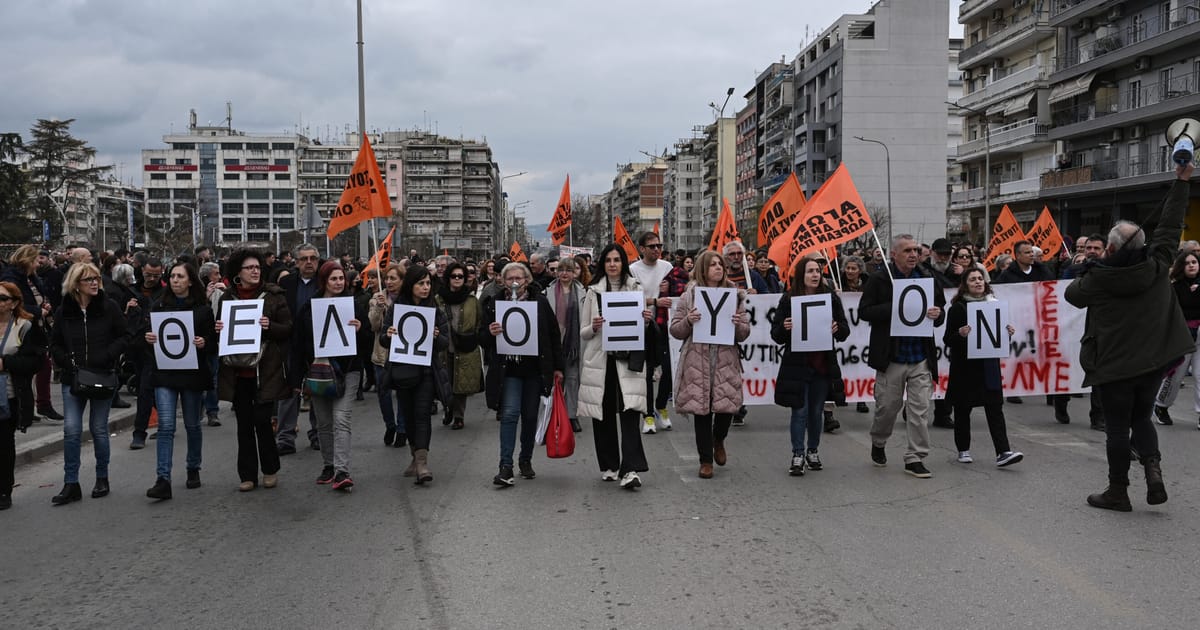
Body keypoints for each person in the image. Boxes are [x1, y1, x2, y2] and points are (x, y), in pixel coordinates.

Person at [1066, 163, 1193, 511]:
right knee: (1142, 418)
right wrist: (1182, 181)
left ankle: (1118, 491)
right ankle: (1153, 469)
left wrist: (1091, 265)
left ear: (1109, 249)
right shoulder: (1157, 263)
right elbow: (1170, 224)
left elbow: (1072, 295)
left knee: (1118, 428)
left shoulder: (1097, 279)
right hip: (1152, 361)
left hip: (1115, 366)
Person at [859, 234, 946, 479]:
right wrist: (895, 306)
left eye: (916, 250)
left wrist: (937, 314)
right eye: (907, 250)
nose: (913, 254)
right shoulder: (880, 280)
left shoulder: (928, 278)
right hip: (892, 357)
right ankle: (878, 441)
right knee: (887, 408)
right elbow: (865, 312)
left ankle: (915, 457)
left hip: (920, 355)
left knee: (919, 410)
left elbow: (941, 313)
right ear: (893, 254)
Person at [48, 262, 128, 505]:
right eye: (88, 279)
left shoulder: (109, 307)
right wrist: (66, 362)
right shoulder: (64, 311)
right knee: (72, 430)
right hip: (74, 378)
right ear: (75, 284)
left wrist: (107, 356)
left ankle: (102, 477)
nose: (95, 283)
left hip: (102, 376)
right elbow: (55, 343)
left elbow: (125, 336)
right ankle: (71, 482)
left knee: (99, 428)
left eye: (96, 279)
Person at [214, 250, 291, 492]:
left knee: (262, 421)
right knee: (244, 424)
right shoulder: (227, 299)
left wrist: (271, 327)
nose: (255, 271)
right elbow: (218, 332)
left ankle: (269, 469)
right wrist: (218, 328)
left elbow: (288, 328)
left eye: (257, 267)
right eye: (249, 268)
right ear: (239, 273)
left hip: (265, 371)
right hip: (237, 373)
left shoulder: (274, 296)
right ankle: (247, 475)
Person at [670, 250, 750, 479]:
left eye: (720, 265)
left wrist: (737, 325)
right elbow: (675, 329)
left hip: (725, 360)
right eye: (713, 264)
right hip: (697, 360)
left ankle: (719, 439)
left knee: (726, 408)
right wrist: (689, 320)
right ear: (703, 269)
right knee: (701, 412)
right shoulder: (690, 295)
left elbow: (745, 332)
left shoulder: (734, 295)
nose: (718, 268)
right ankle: (705, 460)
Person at [140, 262, 217, 500]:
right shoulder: (159, 306)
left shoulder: (203, 310)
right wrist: (149, 339)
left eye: (180, 276)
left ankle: (193, 467)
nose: (175, 280)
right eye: (172, 276)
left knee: (192, 424)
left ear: (190, 281)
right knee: (166, 425)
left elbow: (213, 343)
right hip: (165, 374)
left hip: (192, 374)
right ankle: (163, 478)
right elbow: (149, 343)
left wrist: (204, 343)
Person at [483, 262, 564, 486]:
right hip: (508, 369)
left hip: (534, 369)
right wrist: (490, 333)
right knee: (509, 414)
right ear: (502, 281)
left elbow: (553, 334)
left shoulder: (539, 302)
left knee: (529, 416)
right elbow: (481, 338)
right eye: (510, 278)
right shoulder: (494, 303)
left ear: (527, 280)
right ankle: (505, 466)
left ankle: (525, 459)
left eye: (519, 277)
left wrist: (557, 368)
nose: (515, 282)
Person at [579, 243, 651, 489]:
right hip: (601, 361)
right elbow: (584, 332)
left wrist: (647, 321)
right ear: (603, 264)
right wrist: (595, 326)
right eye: (608, 260)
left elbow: (643, 329)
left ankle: (630, 469)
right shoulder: (593, 292)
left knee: (630, 413)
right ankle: (609, 465)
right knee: (604, 414)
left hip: (627, 361)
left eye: (617, 260)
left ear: (623, 263)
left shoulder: (636, 289)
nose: (612, 264)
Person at [293, 262, 369, 492]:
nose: (338, 283)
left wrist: (360, 330)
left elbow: (367, 340)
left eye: (341, 279)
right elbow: (298, 344)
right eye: (333, 279)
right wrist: (297, 378)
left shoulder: (353, 306)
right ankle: (328, 465)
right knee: (324, 421)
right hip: (319, 371)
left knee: (341, 418)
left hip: (348, 370)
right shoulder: (309, 308)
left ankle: (342, 470)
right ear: (324, 281)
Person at [771, 256, 850, 476]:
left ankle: (812, 450)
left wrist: (837, 328)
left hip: (822, 366)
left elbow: (845, 330)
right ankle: (797, 454)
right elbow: (775, 334)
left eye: (818, 271)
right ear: (800, 275)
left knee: (816, 412)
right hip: (797, 366)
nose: (815, 275)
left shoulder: (830, 298)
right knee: (800, 411)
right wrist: (784, 327)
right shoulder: (789, 299)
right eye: (810, 271)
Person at [943, 268, 1024, 467]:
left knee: (995, 408)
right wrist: (960, 334)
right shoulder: (959, 308)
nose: (978, 282)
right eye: (973, 279)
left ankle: (1003, 451)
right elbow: (948, 339)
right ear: (965, 284)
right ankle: (963, 450)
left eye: (980, 278)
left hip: (989, 367)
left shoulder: (994, 306)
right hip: (966, 368)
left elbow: (996, 336)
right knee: (963, 410)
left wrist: (1007, 332)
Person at [381, 265, 449, 485]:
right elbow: (383, 338)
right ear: (411, 285)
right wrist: (388, 334)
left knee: (422, 414)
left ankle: (422, 462)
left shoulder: (435, 309)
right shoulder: (397, 307)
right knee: (408, 415)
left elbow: (444, 343)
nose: (426, 287)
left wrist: (437, 336)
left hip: (426, 370)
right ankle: (414, 455)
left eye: (428, 283)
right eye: (421, 283)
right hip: (403, 370)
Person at [0, 281, 46, 510]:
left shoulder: (24, 326)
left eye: (2, 298)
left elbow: (36, 361)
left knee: (4, 445)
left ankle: (4, 491)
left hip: (9, 396)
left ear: (14, 303)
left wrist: (6, 362)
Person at [275, 243, 322, 454]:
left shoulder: (325, 281)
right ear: (296, 262)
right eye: (304, 259)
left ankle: (318, 434)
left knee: (319, 390)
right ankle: (285, 437)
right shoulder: (285, 283)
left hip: (317, 344)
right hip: (291, 344)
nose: (309, 262)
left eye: (313, 258)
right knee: (288, 391)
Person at [1, 245, 56, 423]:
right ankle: (34, 406)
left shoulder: (30, 278)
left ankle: (34, 406)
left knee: (39, 366)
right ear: (27, 260)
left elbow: (35, 298)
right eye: (35, 260)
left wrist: (43, 307)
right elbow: (18, 304)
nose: (38, 264)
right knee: (29, 367)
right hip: (21, 326)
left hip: (34, 326)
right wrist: (38, 311)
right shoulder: (13, 277)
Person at [628, 231, 676, 434]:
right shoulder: (633, 270)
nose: (657, 249)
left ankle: (661, 405)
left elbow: (680, 292)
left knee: (669, 369)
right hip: (643, 325)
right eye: (652, 246)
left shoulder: (668, 268)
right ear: (642, 249)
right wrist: (654, 301)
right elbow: (630, 297)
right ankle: (647, 415)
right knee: (646, 372)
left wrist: (671, 288)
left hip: (664, 325)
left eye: (659, 245)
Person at [1153, 252, 1200, 427]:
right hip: (1183, 334)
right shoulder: (1175, 287)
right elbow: (1180, 309)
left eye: (1194, 262)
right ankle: (1161, 405)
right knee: (1176, 374)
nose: (1192, 265)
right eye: (1187, 263)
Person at [436, 263, 484, 430]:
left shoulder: (472, 301)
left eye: (460, 276)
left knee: (460, 385)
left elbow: (479, 322)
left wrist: (473, 337)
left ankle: (458, 416)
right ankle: (448, 408)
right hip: (443, 348)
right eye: (453, 276)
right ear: (448, 278)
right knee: (445, 382)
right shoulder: (438, 300)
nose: (457, 279)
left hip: (464, 348)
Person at [545, 256, 586, 433]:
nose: (564, 273)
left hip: (574, 345)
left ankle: (571, 415)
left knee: (572, 379)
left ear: (574, 273)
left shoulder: (584, 293)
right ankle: (554, 415)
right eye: (561, 270)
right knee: (556, 381)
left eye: (568, 270)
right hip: (555, 343)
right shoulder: (548, 292)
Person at [368, 264, 407, 447]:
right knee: (383, 393)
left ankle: (401, 428)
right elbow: (374, 326)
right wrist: (379, 309)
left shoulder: (408, 299)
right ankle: (390, 425)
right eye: (387, 278)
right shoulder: (377, 298)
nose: (389, 282)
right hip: (382, 354)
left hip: (402, 353)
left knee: (402, 392)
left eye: (394, 278)